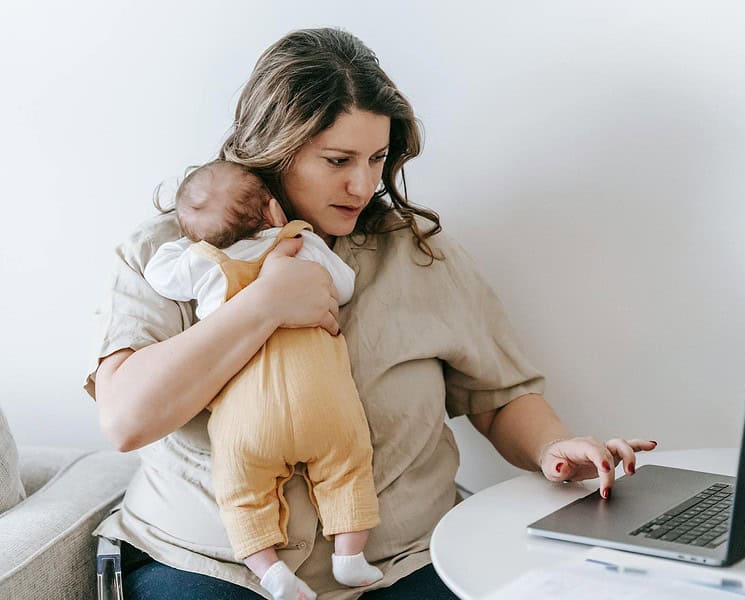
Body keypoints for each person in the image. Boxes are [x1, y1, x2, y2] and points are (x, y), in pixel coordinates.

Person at [87, 27, 656, 600]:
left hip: (404, 561)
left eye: (377, 159)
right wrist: (262, 306)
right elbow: (127, 420)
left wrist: (551, 448)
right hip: (209, 563)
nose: (362, 184)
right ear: (274, 148)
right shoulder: (169, 254)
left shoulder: (420, 254)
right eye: (338, 160)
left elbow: (500, 395)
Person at [142, 159, 383, 599]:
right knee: (349, 466)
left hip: (248, 416)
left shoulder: (206, 263)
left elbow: (160, 273)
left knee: (240, 491)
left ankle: (270, 571)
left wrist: (190, 241)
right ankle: (349, 557)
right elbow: (344, 286)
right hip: (323, 401)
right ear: (273, 210)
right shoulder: (300, 243)